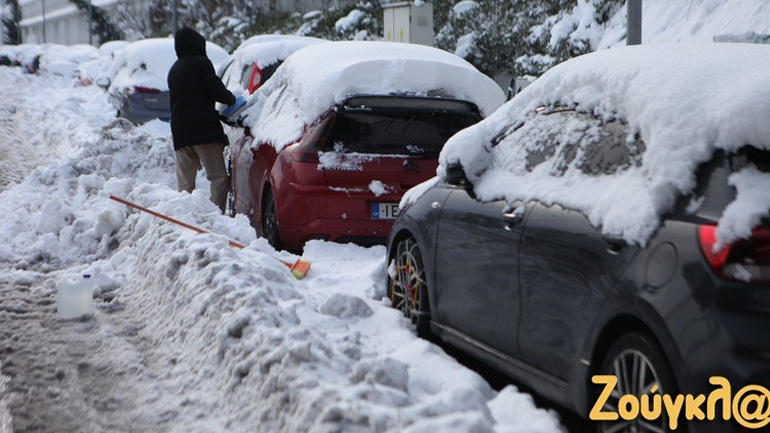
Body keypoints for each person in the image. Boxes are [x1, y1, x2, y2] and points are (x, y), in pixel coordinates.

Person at [167, 27, 236, 213]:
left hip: (181, 134)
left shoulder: (174, 70)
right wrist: (232, 99)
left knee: (185, 184)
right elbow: (217, 91)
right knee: (218, 177)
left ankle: (185, 217)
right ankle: (215, 217)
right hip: (204, 132)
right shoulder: (202, 64)